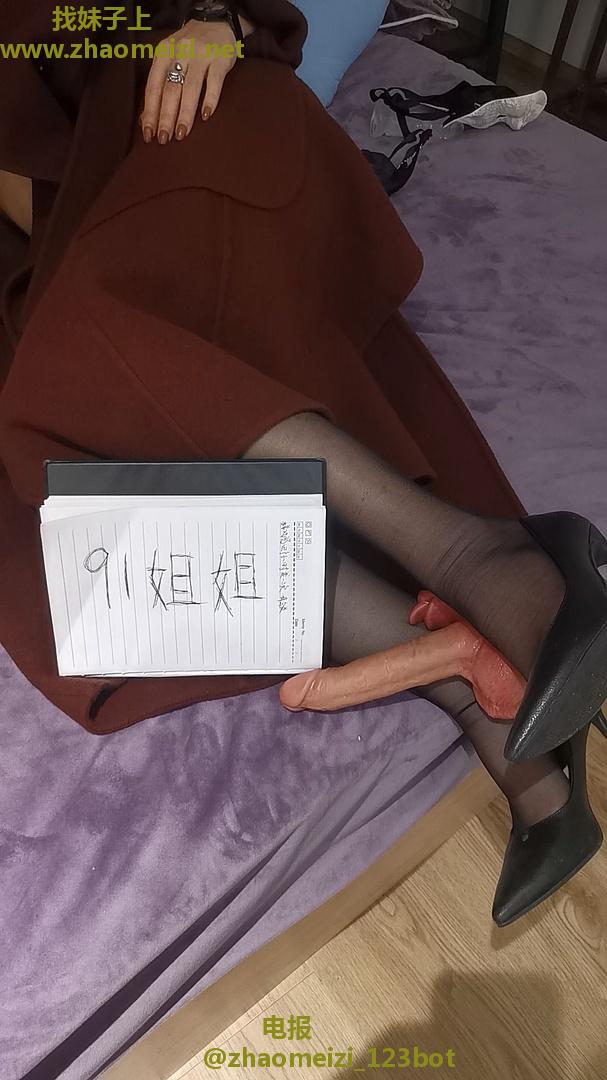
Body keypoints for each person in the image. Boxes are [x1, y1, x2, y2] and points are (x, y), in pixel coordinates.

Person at [0, 1, 605, 925]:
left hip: (199, 127)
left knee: (80, 356)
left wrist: (217, 18)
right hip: (90, 241)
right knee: (63, 538)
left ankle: (485, 561)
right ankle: (477, 697)